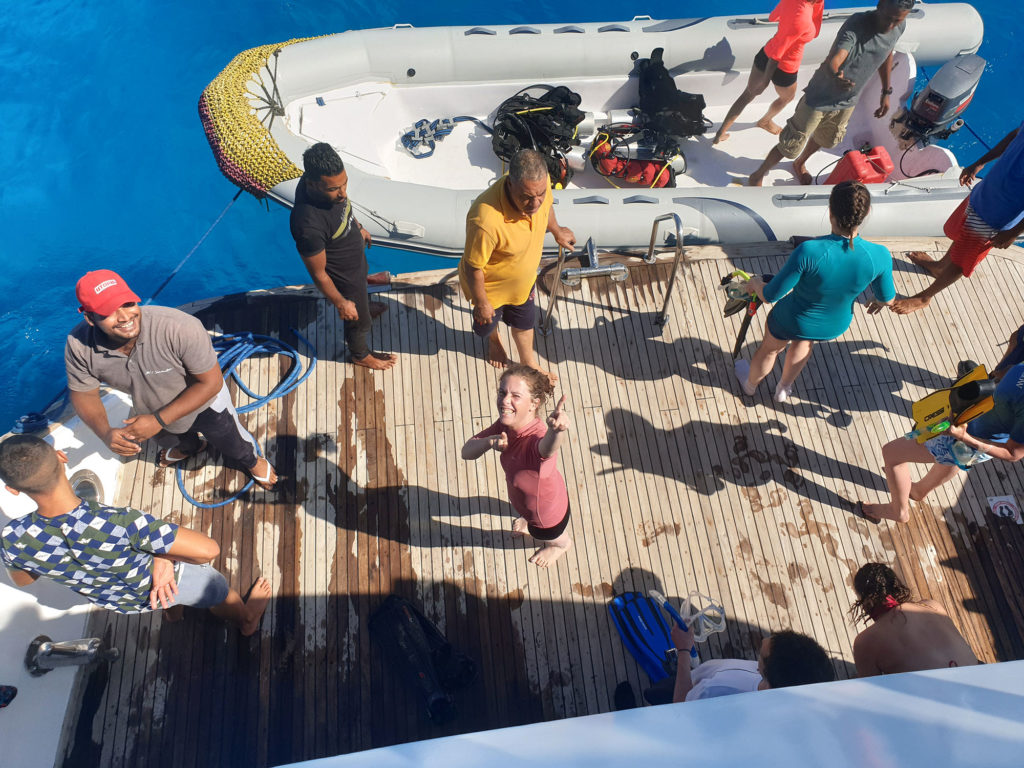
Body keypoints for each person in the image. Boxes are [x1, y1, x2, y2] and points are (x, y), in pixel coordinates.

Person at [0, 435, 270, 635]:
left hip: (121, 600)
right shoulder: (120, 522)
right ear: (62, 456)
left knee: (169, 600)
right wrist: (160, 556)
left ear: (12, 489)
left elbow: (24, 580)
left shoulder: (12, 541)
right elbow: (208, 550)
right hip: (167, 582)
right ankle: (246, 620)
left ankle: (174, 615)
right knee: (218, 589)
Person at [65, 270, 278, 488]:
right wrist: (105, 432)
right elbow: (84, 393)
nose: (125, 317)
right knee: (176, 441)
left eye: (128, 303)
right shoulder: (78, 346)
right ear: (90, 318)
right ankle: (192, 448)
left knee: (232, 441)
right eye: (107, 312)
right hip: (150, 410)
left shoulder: (180, 327)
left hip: (205, 402)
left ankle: (252, 461)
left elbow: (211, 383)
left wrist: (157, 421)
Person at [735, 180, 894, 402]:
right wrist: (875, 300)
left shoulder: (809, 251)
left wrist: (755, 283)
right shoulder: (880, 255)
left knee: (770, 349)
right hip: (832, 325)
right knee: (804, 341)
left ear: (830, 212)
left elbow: (771, 295)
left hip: (791, 318)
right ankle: (783, 388)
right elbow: (887, 299)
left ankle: (750, 386)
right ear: (865, 213)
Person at [748, 0, 912, 186]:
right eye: (888, 18)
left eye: (897, 21)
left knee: (825, 138)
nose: (890, 25)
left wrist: (886, 91)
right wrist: (836, 74)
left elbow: (886, 52)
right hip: (819, 98)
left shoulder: (899, 27)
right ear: (880, 6)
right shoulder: (856, 24)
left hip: (848, 102)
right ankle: (758, 174)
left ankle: (800, 163)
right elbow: (837, 56)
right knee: (791, 143)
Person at [459, 149, 576, 381]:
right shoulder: (485, 221)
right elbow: (474, 267)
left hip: (523, 285)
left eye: (540, 194)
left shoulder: (540, 187)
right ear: (510, 184)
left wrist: (556, 230)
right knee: (486, 326)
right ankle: (494, 343)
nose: (535, 203)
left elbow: (547, 206)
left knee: (524, 323)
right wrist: (481, 303)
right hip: (490, 292)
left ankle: (528, 362)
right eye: (527, 197)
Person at [859, 362, 1024, 523]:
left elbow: (1013, 453)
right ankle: (918, 491)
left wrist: (963, 437)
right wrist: (1002, 374)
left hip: (963, 437)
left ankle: (898, 511)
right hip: (965, 416)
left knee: (892, 453)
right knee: (954, 459)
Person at [891, 123, 1024, 314]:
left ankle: (924, 297)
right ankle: (939, 266)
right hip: (986, 192)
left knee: (962, 261)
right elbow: (1014, 135)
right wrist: (978, 163)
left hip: (999, 216)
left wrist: (1013, 232)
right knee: (962, 236)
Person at [289, 142, 396, 371]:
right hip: (344, 276)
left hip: (355, 261)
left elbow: (344, 209)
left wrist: (358, 227)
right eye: (334, 189)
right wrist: (341, 303)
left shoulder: (327, 187)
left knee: (362, 297)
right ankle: (359, 355)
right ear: (312, 184)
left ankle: (363, 306)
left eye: (344, 183)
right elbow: (318, 275)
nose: (343, 193)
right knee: (360, 321)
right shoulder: (308, 225)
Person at [461, 364, 572, 567]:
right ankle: (525, 518)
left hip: (546, 517)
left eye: (515, 396)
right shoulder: (505, 425)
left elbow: (547, 448)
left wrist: (557, 431)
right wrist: (489, 442)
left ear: (533, 404)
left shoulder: (536, 440)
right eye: (502, 392)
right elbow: (466, 452)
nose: (504, 401)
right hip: (530, 500)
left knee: (548, 535)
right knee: (524, 512)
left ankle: (560, 546)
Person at [713, 0, 824, 144]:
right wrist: (765, 80)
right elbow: (778, 54)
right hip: (784, 67)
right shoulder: (802, 20)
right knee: (787, 98)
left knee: (747, 94)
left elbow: (773, 17)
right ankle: (765, 121)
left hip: (765, 54)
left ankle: (720, 133)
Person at [645, 626, 834, 704]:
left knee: (655, 694)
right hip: (699, 677)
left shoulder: (718, 689)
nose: (764, 640)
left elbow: (680, 706)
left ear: (768, 679)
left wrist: (684, 651)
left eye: (761, 656)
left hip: (688, 685)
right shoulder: (785, 685)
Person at [849, 563, 978, 676]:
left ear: (864, 601)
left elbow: (871, 691)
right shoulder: (933, 605)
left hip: (945, 696)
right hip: (981, 676)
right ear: (896, 584)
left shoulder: (865, 641)